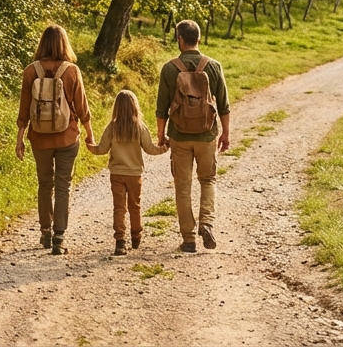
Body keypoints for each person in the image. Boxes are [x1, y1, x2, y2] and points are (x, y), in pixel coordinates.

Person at [16, 24, 93, 256]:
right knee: (63, 186)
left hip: (39, 138)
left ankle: (45, 233)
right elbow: (82, 106)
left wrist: (19, 138)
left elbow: (24, 109)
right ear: (64, 43)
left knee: (44, 184)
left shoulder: (31, 71)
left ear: (42, 43)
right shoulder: (71, 71)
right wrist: (90, 132)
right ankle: (60, 237)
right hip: (67, 137)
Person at [156, 19, 230, 253]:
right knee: (207, 180)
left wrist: (161, 135)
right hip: (207, 135)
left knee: (183, 187)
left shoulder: (170, 68)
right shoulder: (214, 66)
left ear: (180, 39)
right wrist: (225, 134)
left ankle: (188, 239)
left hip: (179, 135)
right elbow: (224, 105)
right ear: (198, 39)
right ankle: (206, 223)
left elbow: (161, 107)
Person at [86, 89, 168, 255]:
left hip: (116, 173)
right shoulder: (139, 127)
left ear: (116, 107)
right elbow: (151, 149)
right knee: (134, 206)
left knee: (119, 207)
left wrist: (90, 146)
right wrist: (166, 147)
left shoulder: (112, 127)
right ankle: (136, 235)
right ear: (134, 107)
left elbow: (101, 150)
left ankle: (120, 241)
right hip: (134, 174)